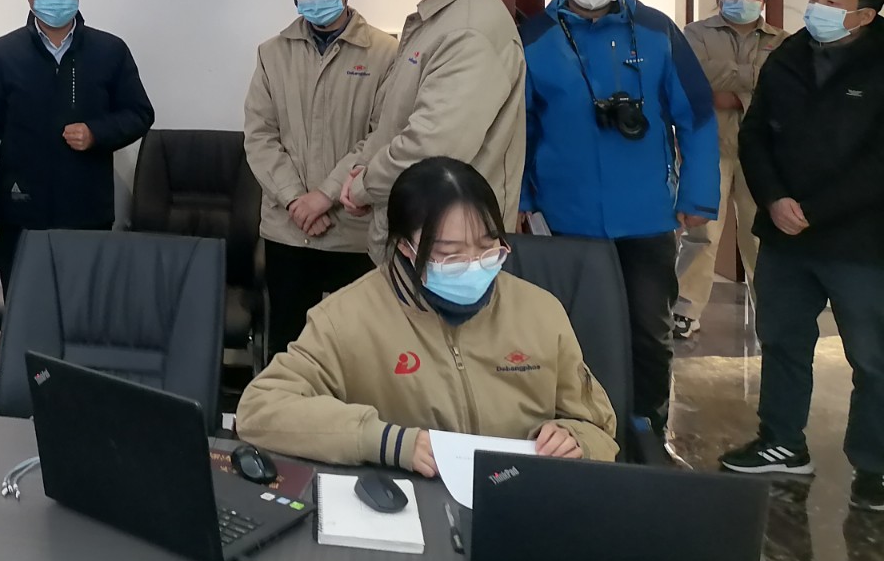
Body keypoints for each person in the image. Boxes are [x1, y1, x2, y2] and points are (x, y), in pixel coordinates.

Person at [238, 157, 619, 470]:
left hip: (520, 497)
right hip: (411, 505)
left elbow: (599, 427)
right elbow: (259, 410)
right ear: (406, 248)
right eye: (451, 254)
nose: (474, 264)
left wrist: (576, 439)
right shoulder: (346, 318)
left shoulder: (540, 311)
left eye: (488, 248)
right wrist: (385, 442)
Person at [518, 0, 717, 432]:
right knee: (571, 332)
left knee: (648, 332)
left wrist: (698, 195)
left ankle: (645, 430)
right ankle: (579, 430)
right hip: (565, 216)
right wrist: (520, 199)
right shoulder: (533, 38)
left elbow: (695, 117)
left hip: (646, 215)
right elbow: (518, 128)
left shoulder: (656, 31)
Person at [720, 0, 884, 513]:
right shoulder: (789, 53)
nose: (817, 7)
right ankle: (782, 441)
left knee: (873, 357)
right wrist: (773, 198)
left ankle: (875, 466)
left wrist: (814, 209)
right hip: (786, 234)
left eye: (832, 1)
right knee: (783, 340)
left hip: (861, 240)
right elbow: (755, 134)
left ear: (864, 14)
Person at [336, 0, 526, 262]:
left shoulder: (469, 31)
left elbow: (430, 146)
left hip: (448, 250)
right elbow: (393, 124)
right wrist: (361, 169)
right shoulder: (440, 21)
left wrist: (365, 184)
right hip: (420, 236)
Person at [0, 0, 154, 291]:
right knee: (25, 310)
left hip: (87, 213)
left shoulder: (109, 51)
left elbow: (140, 113)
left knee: (83, 309)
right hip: (20, 215)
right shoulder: (1, 55)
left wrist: (96, 133)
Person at [244, 0, 397, 358]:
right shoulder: (272, 54)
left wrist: (325, 196)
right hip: (289, 232)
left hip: (354, 233)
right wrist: (297, 200)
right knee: (289, 349)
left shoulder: (385, 52)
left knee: (357, 352)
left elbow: (382, 136)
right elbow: (260, 135)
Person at [673, 0, 786, 339]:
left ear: (763, 1)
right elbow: (693, 81)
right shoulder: (695, 34)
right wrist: (753, 81)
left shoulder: (783, 41)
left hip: (763, 152)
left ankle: (769, 309)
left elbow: (783, 91)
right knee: (701, 232)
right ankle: (686, 309)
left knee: (760, 234)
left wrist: (734, 95)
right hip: (708, 148)